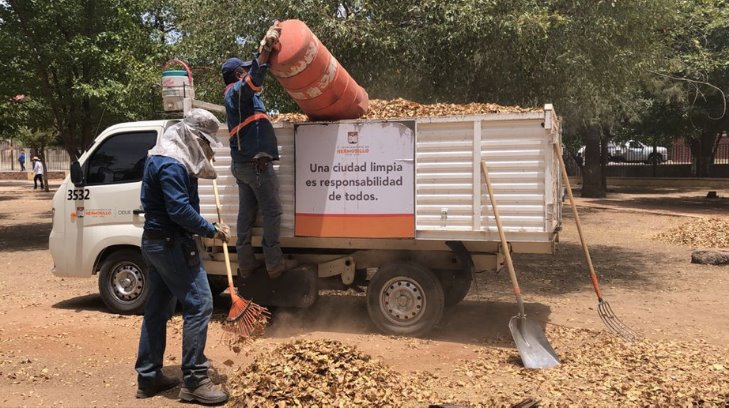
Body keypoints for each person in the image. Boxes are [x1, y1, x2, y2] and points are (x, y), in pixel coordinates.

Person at [135, 108, 231, 405]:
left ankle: (149, 378)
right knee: (200, 304)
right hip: (171, 244)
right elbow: (178, 210)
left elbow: (188, 178)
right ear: (191, 136)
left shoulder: (164, 155)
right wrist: (211, 229)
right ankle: (194, 380)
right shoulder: (172, 165)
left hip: (156, 243)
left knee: (158, 309)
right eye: (203, 143)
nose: (204, 149)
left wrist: (207, 164)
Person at [220, 21, 297, 279]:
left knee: (247, 216)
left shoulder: (241, 99)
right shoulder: (236, 92)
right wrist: (264, 51)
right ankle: (274, 265)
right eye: (244, 70)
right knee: (272, 211)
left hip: (244, 166)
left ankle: (246, 264)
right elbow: (255, 79)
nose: (247, 72)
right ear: (237, 75)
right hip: (256, 166)